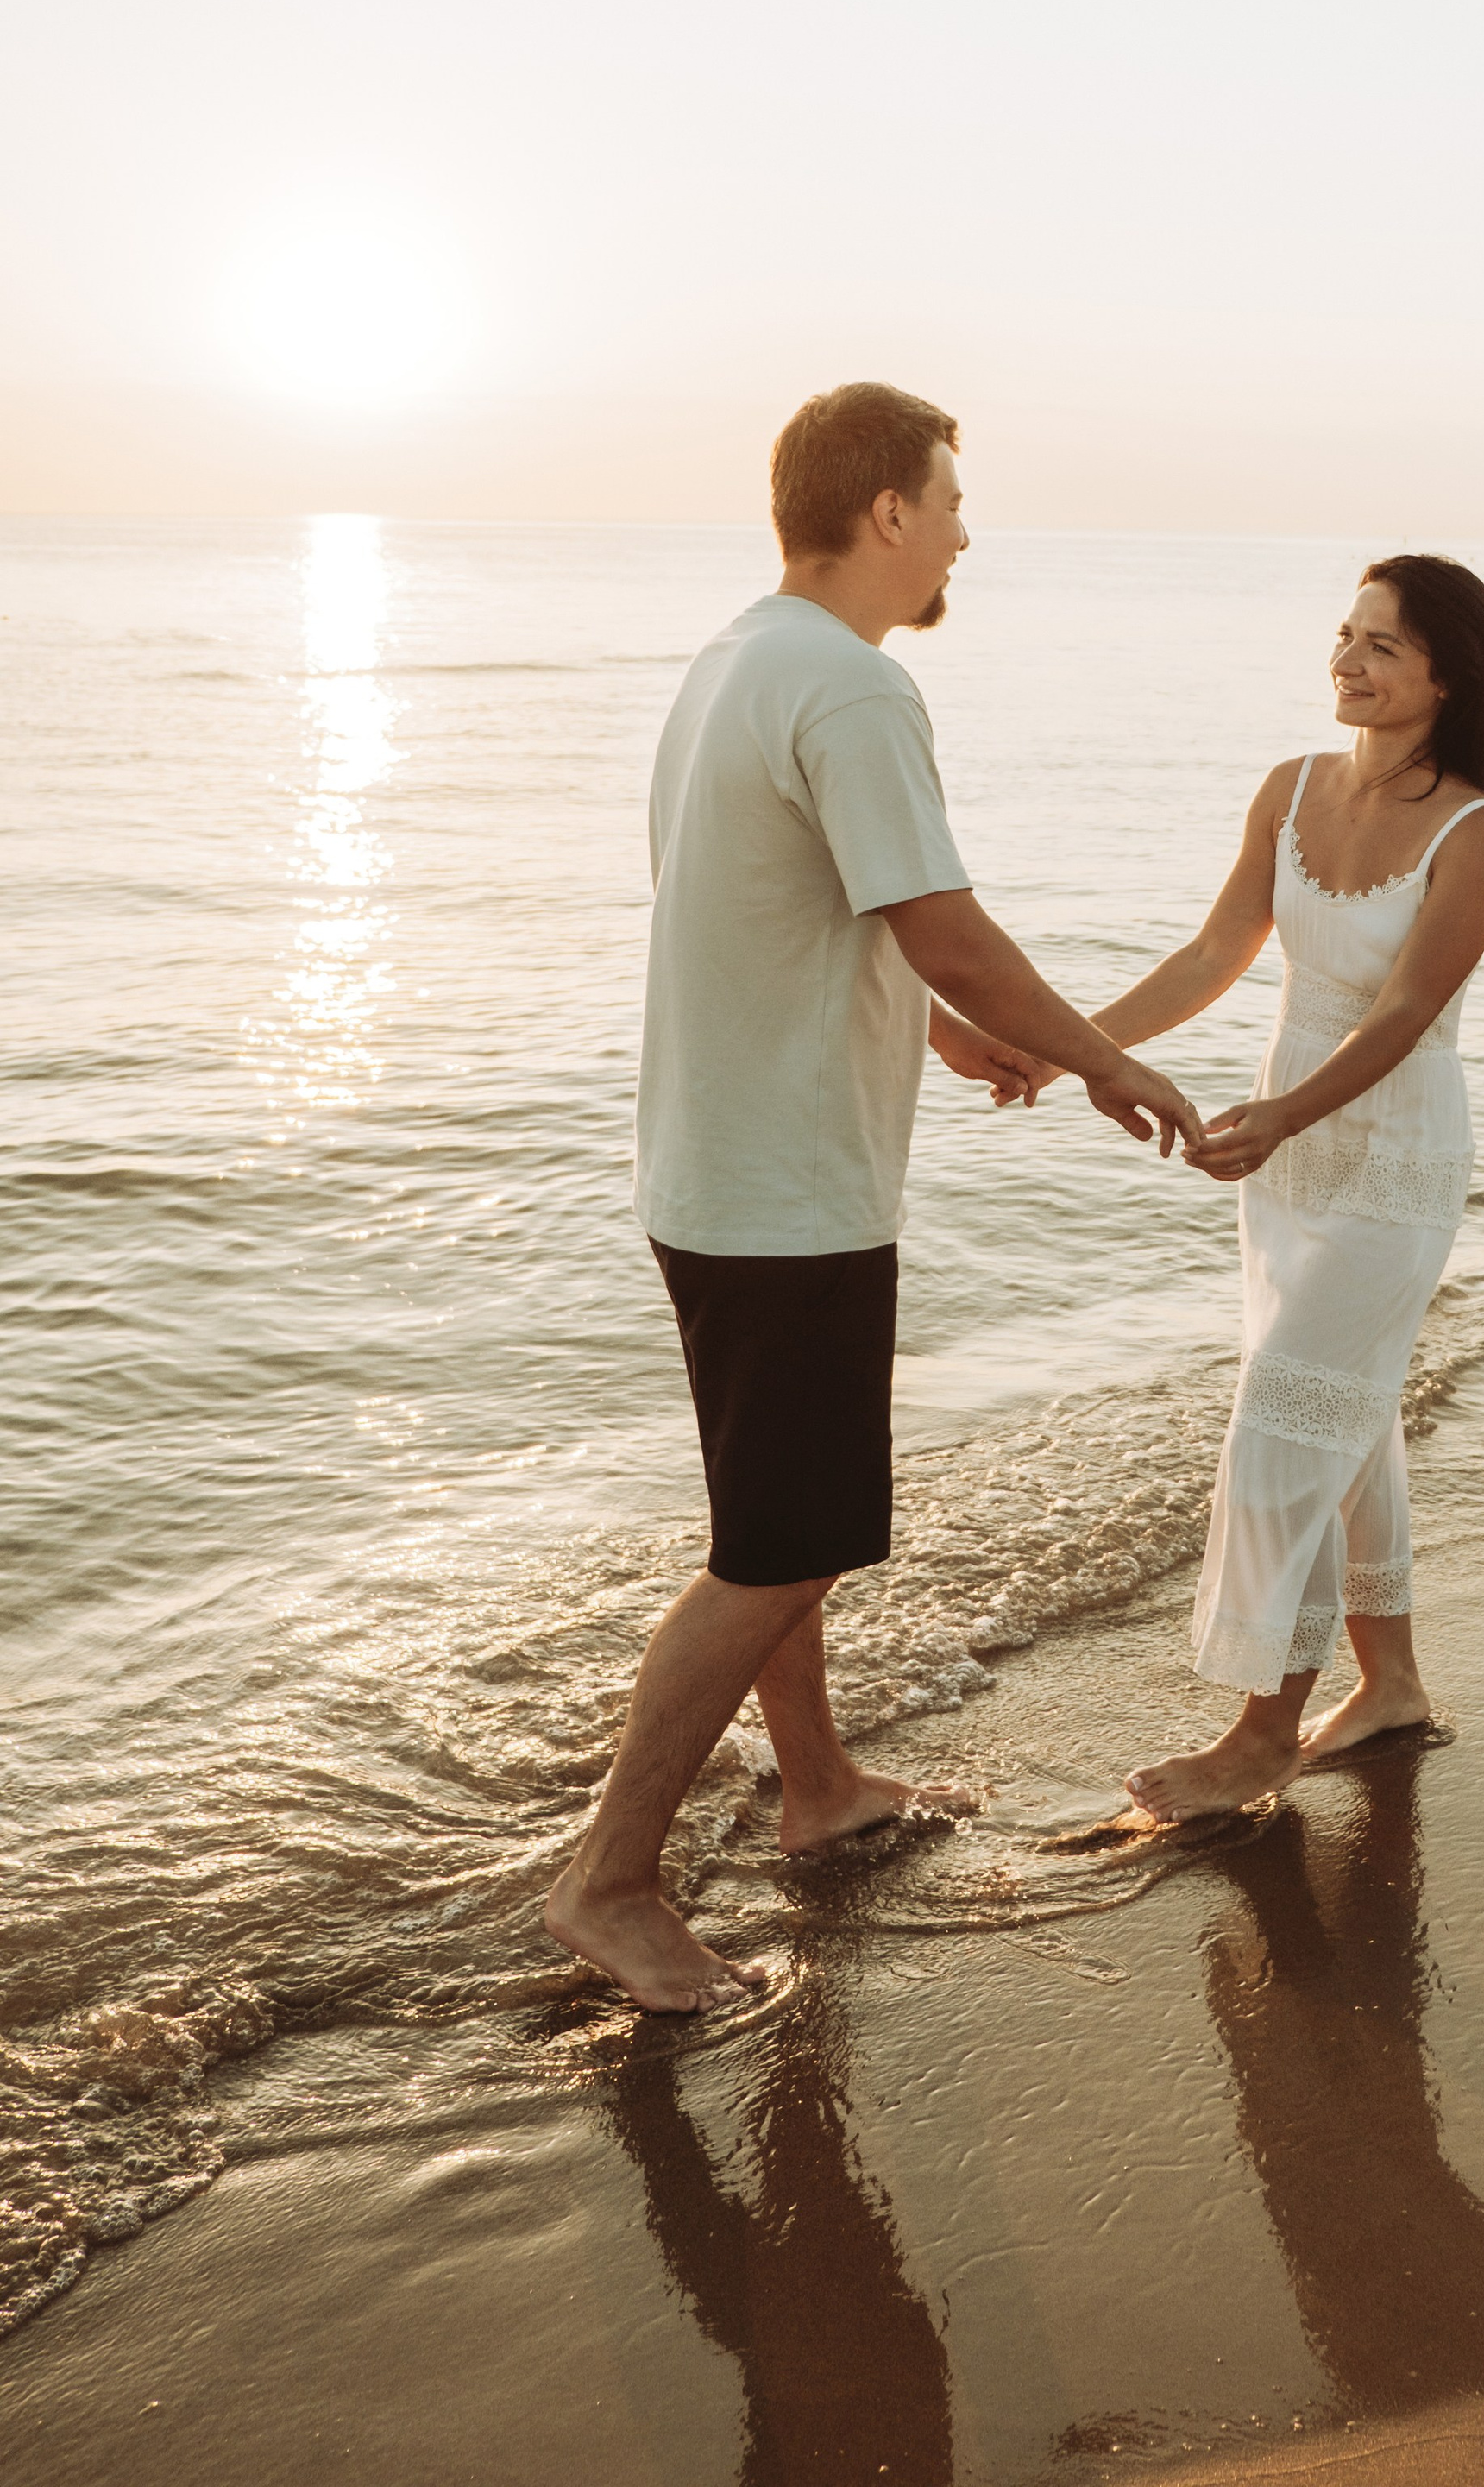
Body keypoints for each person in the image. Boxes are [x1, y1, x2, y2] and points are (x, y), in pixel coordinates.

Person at [547, 383, 1203, 2012]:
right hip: (785, 1192)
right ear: (887, 511)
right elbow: (940, 920)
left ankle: (821, 1787)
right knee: (778, 1546)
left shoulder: (734, 663)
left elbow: (808, 917)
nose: (969, 530)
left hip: (713, 1167)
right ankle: (607, 1880)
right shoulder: (851, 690)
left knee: (787, 1528)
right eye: (952, 498)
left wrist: (964, 1036)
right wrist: (1111, 1063)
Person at [1086, 555, 1484, 1820]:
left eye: (1382, 646)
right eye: (1345, 634)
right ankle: (1390, 1687)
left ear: (1447, 676)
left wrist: (1280, 1114)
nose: (1349, 659)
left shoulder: (1475, 830)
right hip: (1291, 1164)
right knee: (1352, 1417)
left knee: (1286, 1418)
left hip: (1392, 1158)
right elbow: (1218, 950)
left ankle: (1262, 1731)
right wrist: (1073, 1047)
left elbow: (1402, 1015)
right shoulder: (1288, 787)